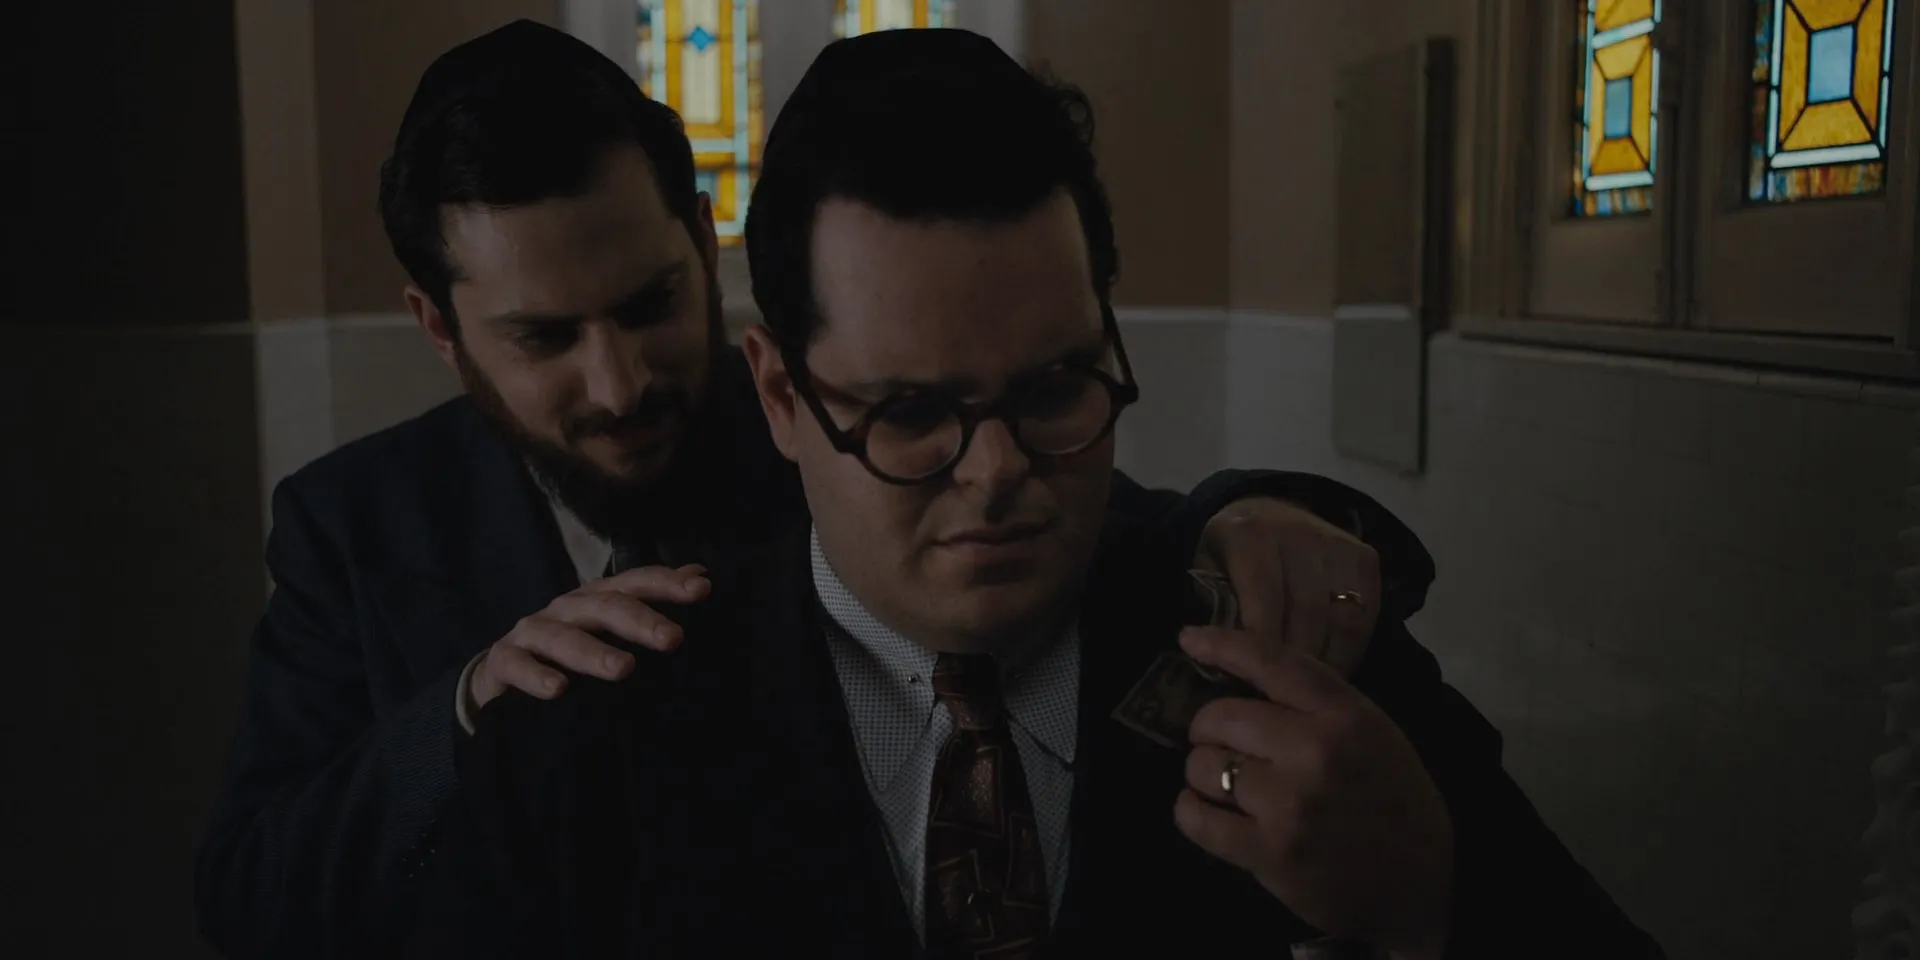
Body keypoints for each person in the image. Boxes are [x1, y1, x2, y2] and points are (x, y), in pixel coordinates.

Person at [192, 19, 1440, 959]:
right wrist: (466, 712)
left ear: (703, 247)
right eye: (545, 337)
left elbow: (1072, 510)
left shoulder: (835, 436)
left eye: (650, 303)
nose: (621, 383)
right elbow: (256, 894)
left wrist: (1253, 512)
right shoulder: (353, 525)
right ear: (439, 325)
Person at [405, 28, 1663, 959]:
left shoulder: (1302, 668)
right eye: (909, 414)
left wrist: (1431, 908)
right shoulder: (599, 738)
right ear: (780, 395)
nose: (999, 472)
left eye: (1058, 388)